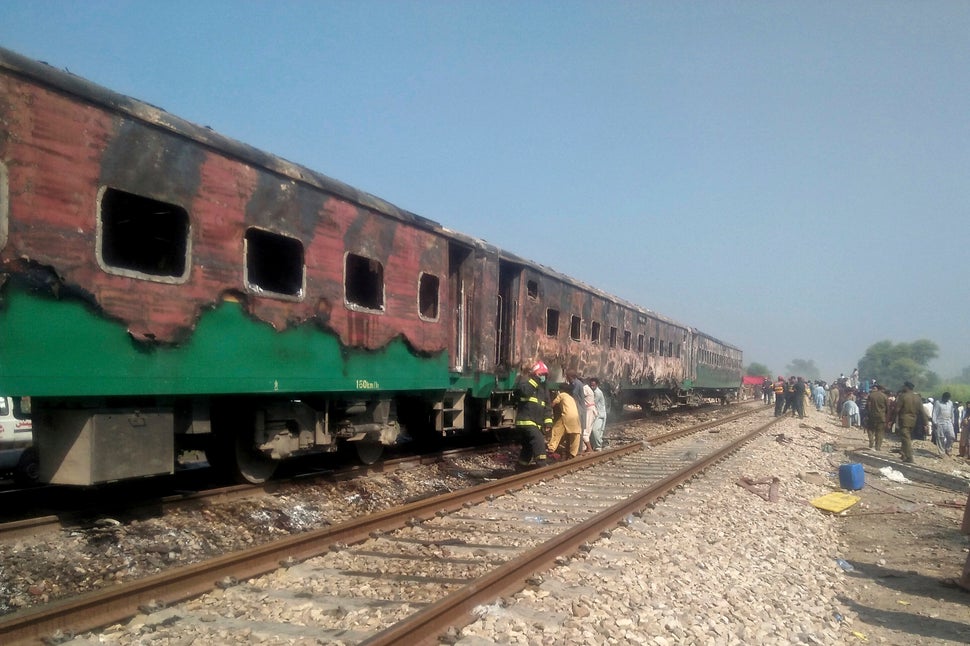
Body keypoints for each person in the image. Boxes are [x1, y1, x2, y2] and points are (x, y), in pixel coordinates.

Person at [513, 361, 552, 466]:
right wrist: (535, 380)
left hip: (536, 422)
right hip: (526, 421)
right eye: (541, 374)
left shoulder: (544, 389)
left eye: (545, 375)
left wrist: (548, 422)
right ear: (535, 374)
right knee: (538, 441)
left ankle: (521, 466)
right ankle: (542, 465)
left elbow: (547, 406)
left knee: (528, 446)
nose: (543, 377)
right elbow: (525, 392)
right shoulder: (525, 382)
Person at [548, 383, 582, 459]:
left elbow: (553, 404)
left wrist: (547, 408)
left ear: (561, 390)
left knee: (556, 430)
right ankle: (573, 453)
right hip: (575, 417)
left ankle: (551, 448)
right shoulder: (571, 398)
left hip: (566, 416)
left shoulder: (562, 395)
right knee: (575, 434)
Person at [893, 381, 922, 463]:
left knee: (906, 439)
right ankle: (904, 454)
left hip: (904, 420)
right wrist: (926, 423)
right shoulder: (917, 397)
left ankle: (909, 457)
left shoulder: (903, 396)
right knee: (906, 437)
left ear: (906, 387)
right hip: (913, 421)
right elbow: (922, 411)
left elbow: (897, 409)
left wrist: (892, 420)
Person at [865, 384, 889, 450]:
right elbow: (887, 408)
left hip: (872, 416)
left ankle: (871, 440)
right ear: (882, 389)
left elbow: (868, 406)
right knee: (880, 432)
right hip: (881, 417)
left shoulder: (871, 395)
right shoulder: (885, 396)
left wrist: (868, 414)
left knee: (870, 429)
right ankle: (877, 446)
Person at [932, 392, 955, 456]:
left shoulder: (950, 403)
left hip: (948, 422)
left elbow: (952, 412)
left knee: (952, 436)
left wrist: (952, 421)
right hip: (940, 422)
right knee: (940, 438)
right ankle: (941, 453)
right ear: (943, 397)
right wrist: (935, 422)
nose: (947, 399)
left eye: (948, 398)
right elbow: (934, 413)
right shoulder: (938, 403)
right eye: (946, 398)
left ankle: (948, 448)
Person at [588, 377, 607, 450]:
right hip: (596, 414)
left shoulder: (598, 393)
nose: (592, 387)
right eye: (591, 385)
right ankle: (596, 445)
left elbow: (592, 402)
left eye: (593, 385)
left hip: (600, 415)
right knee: (596, 431)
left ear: (597, 385)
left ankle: (599, 445)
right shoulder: (593, 391)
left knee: (595, 430)